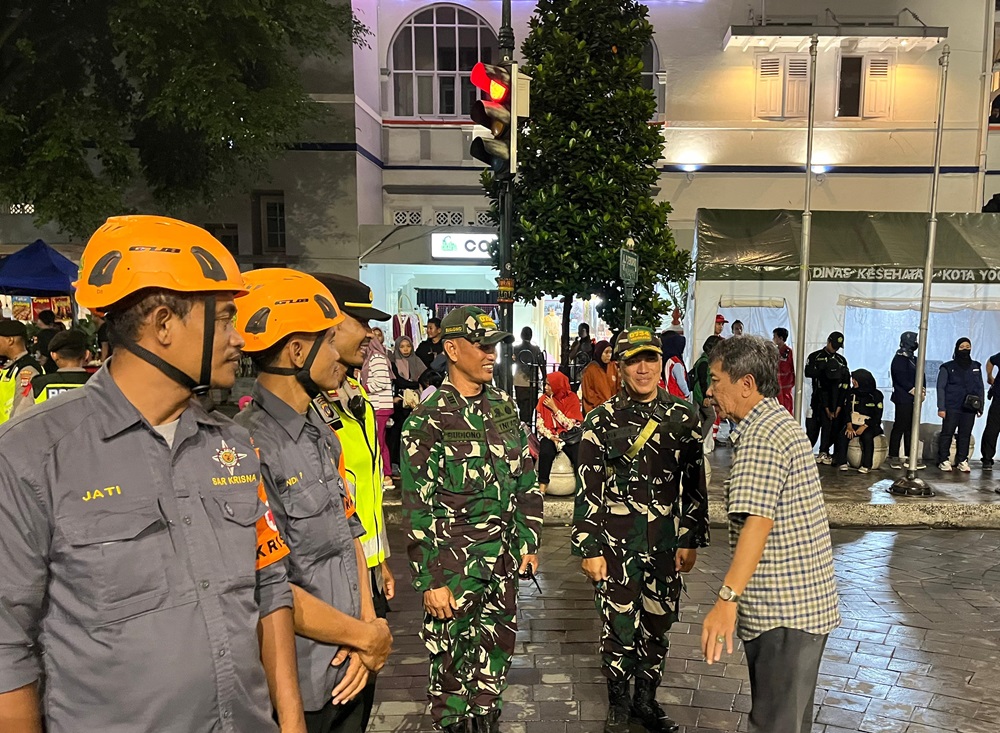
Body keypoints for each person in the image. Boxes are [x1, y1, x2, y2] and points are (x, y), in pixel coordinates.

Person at [0, 215, 306, 732]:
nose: (241, 339)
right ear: (163, 324)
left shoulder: (231, 443)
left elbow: (269, 589)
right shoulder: (35, 454)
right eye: (227, 319)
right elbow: (7, 646)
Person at [235, 268, 393, 733]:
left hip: (355, 662)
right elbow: (270, 586)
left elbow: (350, 533)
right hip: (304, 682)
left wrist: (369, 627)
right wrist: (365, 635)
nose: (341, 349)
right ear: (297, 351)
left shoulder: (320, 430)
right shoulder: (248, 447)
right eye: (329, 339)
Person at [401, 306, 542, 733]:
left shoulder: (503, 408)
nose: (490, 355)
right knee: (450, 669)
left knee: (495, 660)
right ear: (451, 349)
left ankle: (487, 720)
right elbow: (417, 508)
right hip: (455, 572)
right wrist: (431, 580)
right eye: (480, 347)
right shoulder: (428, 419)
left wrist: (528, 542)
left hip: (502, 566)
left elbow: (526, 481)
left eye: (494, 347)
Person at [701, 335, 840, 733]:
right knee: (788, 721)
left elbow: (757, 524)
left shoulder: (761, 438)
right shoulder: (778, 423)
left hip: (784, 613)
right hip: (800, 609)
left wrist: (726, 599)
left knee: (775, 724)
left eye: (716, 380)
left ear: (746, 384)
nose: (711, 391)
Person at [575, 326, 709, 733]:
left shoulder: (683, 416)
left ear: (660, 362)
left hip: (666, 544)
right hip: (616, 545)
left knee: (658, 622)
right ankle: (618, 705)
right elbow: (588, 486)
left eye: (650, 358)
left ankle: (646, 702)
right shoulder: (601, 420)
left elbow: (694, 484)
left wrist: (691, 539)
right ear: (620, 367)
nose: (643, 368)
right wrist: (588, 546)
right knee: (618, 625)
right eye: (633, 361)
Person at [314, 272, 397, 731]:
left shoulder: (357, 399)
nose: (368, 334)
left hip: (364, 569)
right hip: (327, 583)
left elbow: (364, 493)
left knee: (361, 706)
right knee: (332, 701)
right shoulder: (307, 412)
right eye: (358, 321)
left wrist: (379, 560)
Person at [936, 337, 984, 473]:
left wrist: (980, 406)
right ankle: (943, 460)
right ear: (957, 348)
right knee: (947, 433)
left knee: (965, 434)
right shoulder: (947, 367)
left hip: (969, 408)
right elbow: (941, 387)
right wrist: (941, 407)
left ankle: (962, 460)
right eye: (962, 346)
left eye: (967, 346)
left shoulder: (976, 366)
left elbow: (980, 387)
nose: (965, 349)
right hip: (952, 406)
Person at [804, 331, 850, 463]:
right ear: (828, 341)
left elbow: (845, 381)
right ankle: (806, 451)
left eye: (837, 347)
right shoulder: (815, 356)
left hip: (835, 398)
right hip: (818, 397)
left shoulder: (841, 360)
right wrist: (823, 370)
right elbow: (808, 372)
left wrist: (840, 404)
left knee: (829, 425)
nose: (835, 349)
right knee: (813, 428)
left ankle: (824, 451)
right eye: (833, 345)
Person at [536, 371, 583, 495]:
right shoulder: (543, 400)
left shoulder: (572, 398)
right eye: (545, 384)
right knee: (545, 452)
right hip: (551, 435)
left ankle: (582, 488)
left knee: (579, 454)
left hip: (568, 436)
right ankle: (542, 488)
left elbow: (570, 425)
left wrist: (555, 409)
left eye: (549, 385)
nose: (545, 388)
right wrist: (551, 437)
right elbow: (539, 425)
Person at [22, 329, 93, 411]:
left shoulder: (38, 385)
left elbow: (21, 418)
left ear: (54, 355)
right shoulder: (100, 384)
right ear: (86, 354)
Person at [387, 335, 426, 475]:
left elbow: (425, 377)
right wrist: (415, 384)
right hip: (398, 402)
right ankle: (396, 462)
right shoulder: (393, 362)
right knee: (398, 431)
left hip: (415, 401)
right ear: (397, 347)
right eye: (402, 346)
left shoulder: (416, 361)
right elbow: (399, 382)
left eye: (408, 346)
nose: (405, 349)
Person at [832, 369, 884, 474]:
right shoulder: (850, 393)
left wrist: (865, 426)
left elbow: (877, 415)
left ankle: (866, 465)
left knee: (867, 436)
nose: (853, 382)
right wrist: (849, 426)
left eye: (855, 380)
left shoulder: (876, 395)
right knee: (843, 435)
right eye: (853, 379)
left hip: (870, 425)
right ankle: (842, 462)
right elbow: (847, 411)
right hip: (854, 423)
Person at [363, 326, 396, 489]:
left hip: (379, 406)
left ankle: (386, 476)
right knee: (379, 442)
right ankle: (383, 474)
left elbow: (381, 381)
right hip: (377, 406)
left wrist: (364, 387)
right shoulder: (375, 357)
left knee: (379, 443)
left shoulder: (376, 358)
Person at [888, 331, 925, 470]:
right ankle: (893, 456)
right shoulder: (899, 359)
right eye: (913, 341)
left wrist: (922, 390)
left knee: (912, 427)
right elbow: (899, 377)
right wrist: (911, 389)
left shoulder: (914, 359)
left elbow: (922, 374)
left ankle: (911, 457)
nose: (915, 344)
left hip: (915, 399)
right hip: (903, 397)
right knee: (900, 426)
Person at [0, 320, 42, 424]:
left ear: (10, 340)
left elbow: (23, 410)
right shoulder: (13, 366)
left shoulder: (26, 369)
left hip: (12, 433)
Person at [690, 335, 723, 445]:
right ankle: (699, 439)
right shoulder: (704, 362)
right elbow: (703, 381)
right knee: (711, 416)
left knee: (700, 418)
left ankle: (698, 439)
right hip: (701, 394)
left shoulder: (703, 360)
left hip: (698, 394)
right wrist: (706, 397)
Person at [513, 326, 545, 424]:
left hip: (519, 381)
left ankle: (523, 425)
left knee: (521, 406)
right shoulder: (536, 349)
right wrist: (545, 378)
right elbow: (542, 364)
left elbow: (510, 361)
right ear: (531, 336)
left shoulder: (515, 348)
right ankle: (529, 426)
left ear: (521, 335)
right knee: (531, 407)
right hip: (532, 381)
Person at [581, 339, 617, 413]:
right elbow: (588, 393)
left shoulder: (613, 367)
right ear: (599, 352)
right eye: (606, 352)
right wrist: (602, 405)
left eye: (610, 352)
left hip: (612, 410)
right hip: (595, 411)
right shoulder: (590, 370)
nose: (609, 355)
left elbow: (618, 387)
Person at [661, 331, 690, 401]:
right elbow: (681, 382)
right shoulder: (676, 363)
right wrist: (687, 393)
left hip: (668, 395)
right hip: (678, 397)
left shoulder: (665, 359)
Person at [772, 328, 794, 414]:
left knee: (786, 411)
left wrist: (791, 383)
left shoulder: (789, 352)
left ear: (781, 338)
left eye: (775, 336)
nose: (773, 339)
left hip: (786, 389)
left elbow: (794, 369)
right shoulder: (773, 351)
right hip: (775, 389)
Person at [568, 322, 595, 388]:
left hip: (588, 372)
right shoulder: (577, 344)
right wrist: (577, 345)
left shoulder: (592, 345)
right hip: (576, 372)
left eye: (581, 330)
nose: (578, 332)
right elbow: (570, 356)